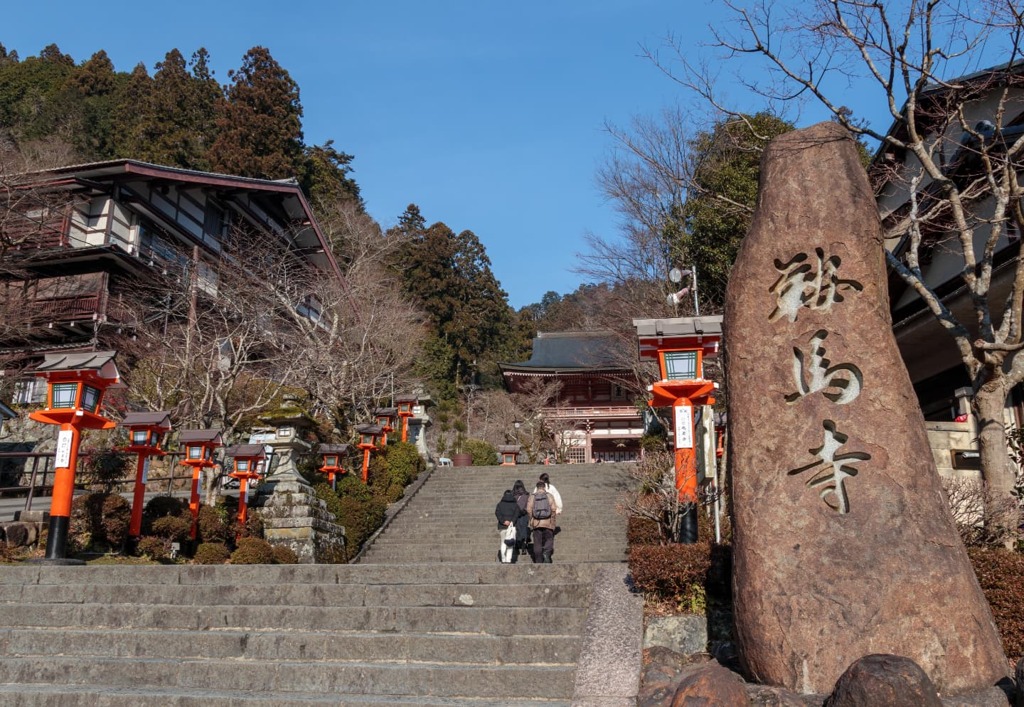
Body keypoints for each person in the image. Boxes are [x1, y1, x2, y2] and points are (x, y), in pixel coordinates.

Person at [526, 480, 558, 563]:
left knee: (537, 542)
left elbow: (529, 510)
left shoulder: (532, 496)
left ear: (537, 487)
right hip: (548, 522)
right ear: (544, 487)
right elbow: (554, 509)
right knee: (549, 539)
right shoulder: (549, 496)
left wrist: (531, 519)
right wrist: (553, 521)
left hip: (536, 524)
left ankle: (538, 561)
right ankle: (546, 552)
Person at [494, 487, 521, 563]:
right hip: (512, 526)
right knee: (510, 543)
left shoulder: (500, 504)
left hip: (502, 526)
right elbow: (517, 514)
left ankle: (503, 558)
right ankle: (508, 559)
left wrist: (503, 521)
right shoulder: (515, 505)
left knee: (503, 542)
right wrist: (512, 521)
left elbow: (497, 513)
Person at [511, 479, 531, 557]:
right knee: (523, 529)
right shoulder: (526, 494)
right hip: (524, 514)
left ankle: (516, 547)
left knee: (515, 530)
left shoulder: (512, 495)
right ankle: (523, 547)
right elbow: (529, 505)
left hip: (514, 516)